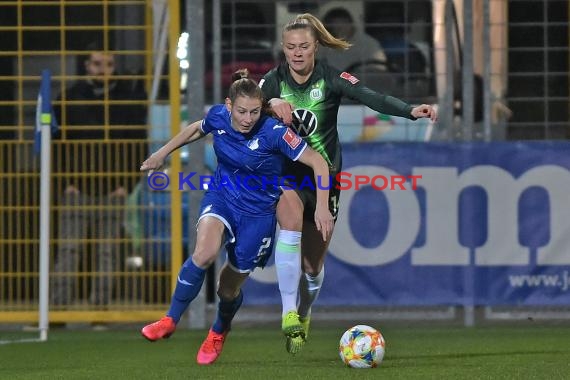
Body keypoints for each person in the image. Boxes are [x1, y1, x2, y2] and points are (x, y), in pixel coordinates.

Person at [259, 13, 438, 353]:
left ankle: (305, 309)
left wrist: (410, 110)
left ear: (315, 47)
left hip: (325, 179)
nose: (297, 53)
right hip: (288, 177)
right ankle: (288, 314)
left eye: (304, 47)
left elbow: (373, 97)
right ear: (283, 48)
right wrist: (269, 102)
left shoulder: (331, 78)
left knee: (312, 266)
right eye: (291, 47)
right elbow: (243, 106)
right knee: (290, 223)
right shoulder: (273, 81)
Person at [139, 69, 334, 365]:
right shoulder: (218, 117)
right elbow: (195, 128)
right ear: (229, 106)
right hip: (222, 198)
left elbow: (318, 161)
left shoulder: (274, 132)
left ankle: (219, 329)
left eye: (255, 112)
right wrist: (162, 153)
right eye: (241, 111)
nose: (247, 119)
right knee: (203, 253)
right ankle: (169, 319)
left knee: (227, 287)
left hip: (258, 215)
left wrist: (321, 206)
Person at [51, 42, 147, 312]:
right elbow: (56, 146)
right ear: (86, 66)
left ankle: (99, 311)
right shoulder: (67, 99)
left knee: (107, 253)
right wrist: (65, 182)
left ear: (114, 67)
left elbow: (137, 146)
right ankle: (57, 311)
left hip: (112, 189)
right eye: (97, 64)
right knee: (69, 251)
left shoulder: (127, 101)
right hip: (76, 188)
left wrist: (125, 186)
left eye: (107, 64)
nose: (102, 69)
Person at [318, 7, 387, 71]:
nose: (337, 31)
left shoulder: (369, 44)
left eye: (340, 28)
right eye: (333, 28)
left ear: (350, 24)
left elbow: (378, 71)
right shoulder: (326, 45)